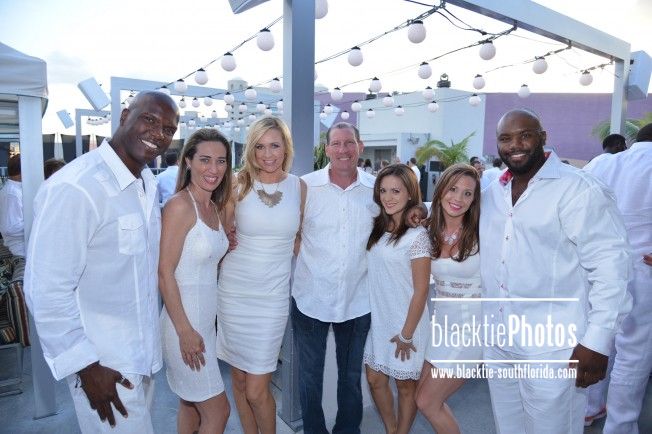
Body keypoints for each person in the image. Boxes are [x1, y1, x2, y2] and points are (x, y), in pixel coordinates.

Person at [24, 91, 179, 433]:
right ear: (124, 116)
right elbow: (46, 289)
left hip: (141, 359)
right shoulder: (76, 187)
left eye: (168, 129)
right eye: (149, 119)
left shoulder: (146, 183)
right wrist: (85, 366)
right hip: (104, 365)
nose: (158, 133)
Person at [480, 108, 632, 433]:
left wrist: (597, 341)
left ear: (543, 137)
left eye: (525, 135)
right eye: (505, 138)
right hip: (500, 343)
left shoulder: (579, 189)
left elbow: (611, 268)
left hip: (554, 349)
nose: (515, 145)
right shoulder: (493, 193)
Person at [217, 116, 305, 434]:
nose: (267, 154)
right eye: (260, 146)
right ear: (251, 150)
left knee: (257, 389)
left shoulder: (299, 187)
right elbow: (220, 232)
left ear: (286, 148)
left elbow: (301, 240)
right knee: (240, 381)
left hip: (272, 298)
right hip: (234, 292)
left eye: (274, 146)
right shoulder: (237, 184)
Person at [159, 128, 232, 434]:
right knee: (218, 411)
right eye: (205, 160)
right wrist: (185, 330)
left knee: (189, 405)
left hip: (204, 325)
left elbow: (202, 263)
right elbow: (165, 272)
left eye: (221, 161)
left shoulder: (213, 207)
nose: (213, 169)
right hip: (184, 325)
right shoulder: (179, 206)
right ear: (188, 161)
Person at [588, 124, 652, 434]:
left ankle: (589, 407)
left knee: (600, 339)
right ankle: (620, 426)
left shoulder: (603, 164)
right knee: (634, 352)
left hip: (602, 266)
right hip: (644, 268)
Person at [363, 164, 431, 434]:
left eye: (396, 191)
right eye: (383, 191)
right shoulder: (377, 227)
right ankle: (391, 429)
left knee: (405, 386)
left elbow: (421, 291)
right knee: (374, 379)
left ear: (410, 193)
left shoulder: (418, 236)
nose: (388, 197)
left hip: (407, 323)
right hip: (381, 320)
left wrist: (406, 334)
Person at [415, 163, 481, 434]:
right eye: (453, 189)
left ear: (474, 200)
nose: (458, 198)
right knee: (425, 399)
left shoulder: (483, 232)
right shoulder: (428, 229)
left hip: (473, 331)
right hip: (440, 328)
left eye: (467, 193)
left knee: (427, 401)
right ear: (441, 189)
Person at [0, 154, 24, 257]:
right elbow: (10, 228)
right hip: (19, 249)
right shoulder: (12, 193)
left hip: (21, 246)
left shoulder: (14, 190)